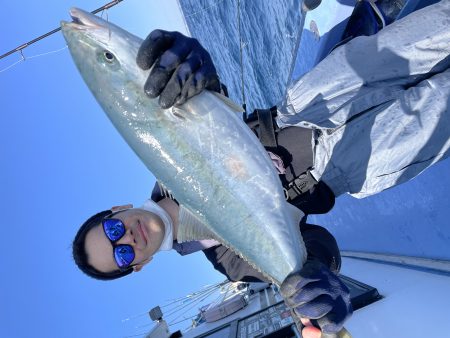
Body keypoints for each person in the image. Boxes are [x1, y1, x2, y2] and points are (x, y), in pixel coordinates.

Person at [73, 1, 449, 337]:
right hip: (352, 164)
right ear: (139, 266)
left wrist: (195, 67)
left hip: (315, 98)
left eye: (112, 229)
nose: (127, 239)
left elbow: (210, 107)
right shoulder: (230, 261)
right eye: (122, 255)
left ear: (119, 208)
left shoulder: (160, 147)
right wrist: (322, 272)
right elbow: (311, 249)